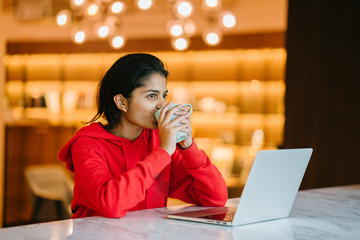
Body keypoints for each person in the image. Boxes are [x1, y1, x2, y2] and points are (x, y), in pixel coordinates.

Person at [58, 53, 227, 219]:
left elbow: (215, 199)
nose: (162, 104)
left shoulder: (159, 140)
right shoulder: (86, 144)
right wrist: (162, 152)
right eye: (151, 96)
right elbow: (111, 204)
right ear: (121, 102)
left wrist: (188, 146)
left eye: (164, 95)